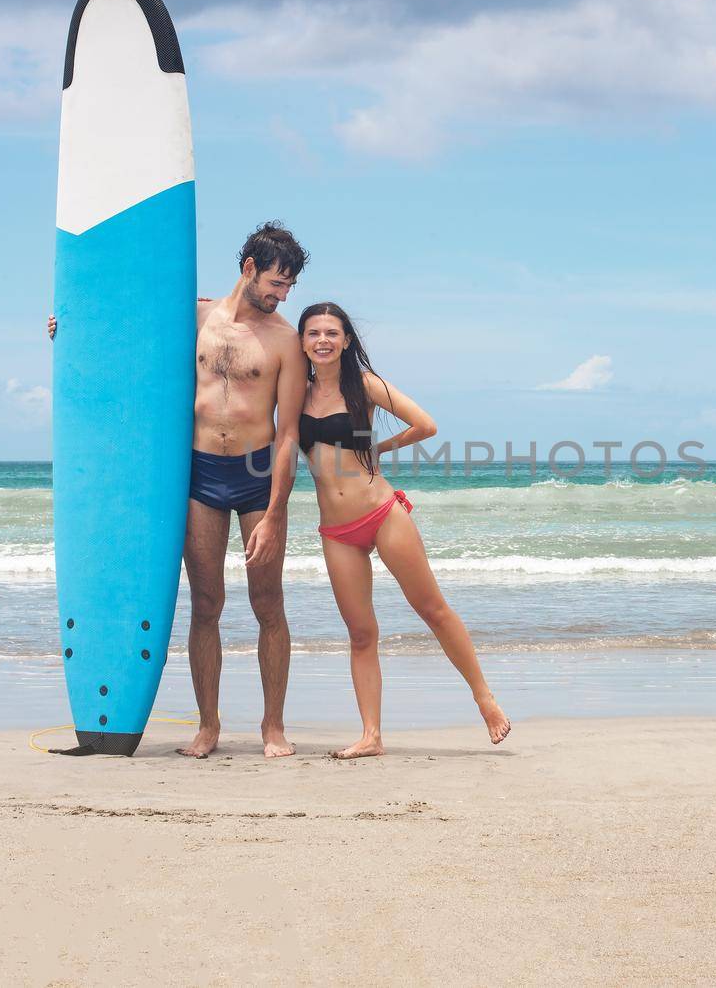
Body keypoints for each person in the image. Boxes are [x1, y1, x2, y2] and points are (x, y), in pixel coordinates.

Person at [51, 222, 308, 758]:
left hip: (258, 476)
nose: (281, 295)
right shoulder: (195, 317)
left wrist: (278, 511)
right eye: (276, 282)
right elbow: (124, 338)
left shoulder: (285, 340)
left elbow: (288, 433)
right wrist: (69, 332)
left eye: (288, 287)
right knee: (207, 602)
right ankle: (208, 725)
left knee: (268, 603)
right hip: (201, 474)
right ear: (248, 268)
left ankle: (273, 726)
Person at [296, 301, 511, 758]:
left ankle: (484, 698)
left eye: (332, 333)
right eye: (313, 333)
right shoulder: (296, 391)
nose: (323, 341)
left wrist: (380, 449)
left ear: (347, 340)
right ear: (302, 341)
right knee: (360, 634)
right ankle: (371, 735)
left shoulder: (364, 385)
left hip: (381, 513)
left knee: (431, 609)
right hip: (337, 531)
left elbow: (425, 424)